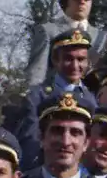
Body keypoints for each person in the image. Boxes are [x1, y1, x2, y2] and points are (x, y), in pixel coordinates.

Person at [7, 27, 98, 170]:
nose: (75, 65)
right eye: (68, 59)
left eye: (81, 59)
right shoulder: (36, 96)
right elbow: (31, 141)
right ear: (55, 60)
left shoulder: (92, 99)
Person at [25, 0, 107, 85]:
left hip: (89, 98)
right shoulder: (47, 30)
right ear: (66, 1)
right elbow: (37, 70)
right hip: (55, 95)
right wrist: (35, 97)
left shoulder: (102, 36)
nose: (82, 2)